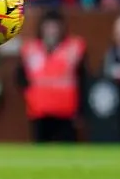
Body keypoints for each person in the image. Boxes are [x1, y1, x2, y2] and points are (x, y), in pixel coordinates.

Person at [17, 10, 87, 143]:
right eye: (48, 26)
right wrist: (29, 94)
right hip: (39, 112)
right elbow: (20, 77)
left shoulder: (74, 49)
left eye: (55, 26)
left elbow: (83, 80)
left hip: (66, 112)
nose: (52, 31)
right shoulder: (31, 49)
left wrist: (81, 110)